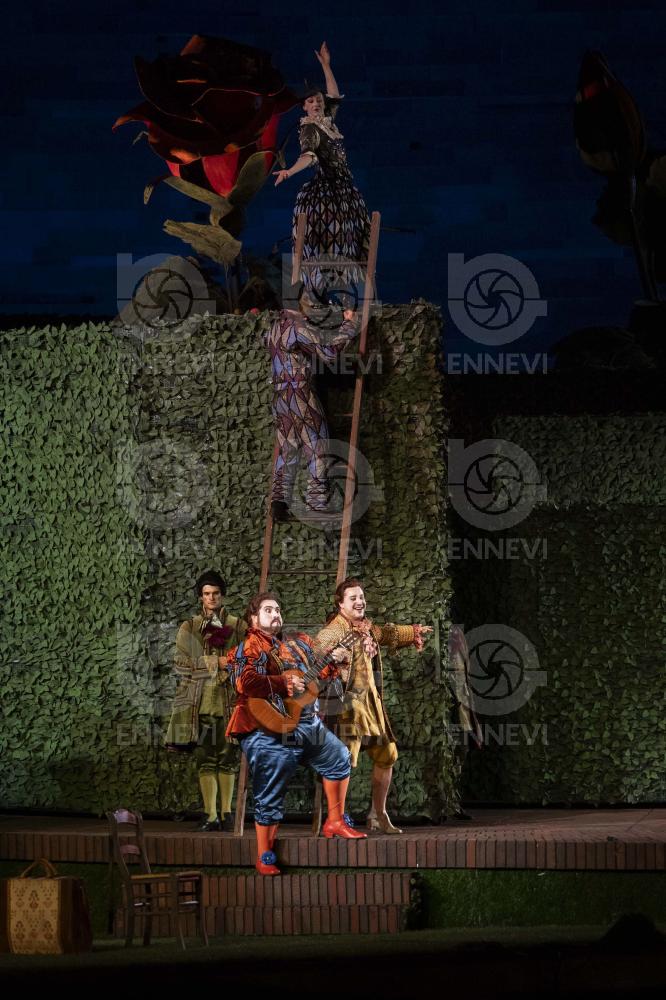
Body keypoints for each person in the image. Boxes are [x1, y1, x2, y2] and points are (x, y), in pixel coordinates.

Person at [225, 592, 367, 876]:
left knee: (339, 756)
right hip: (265, 726)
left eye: (277, 609)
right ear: (253, 618)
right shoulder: (249, 647)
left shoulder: (299, 642)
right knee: (275, 769)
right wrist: (282, 683)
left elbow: (317, 675)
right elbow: (243, 681)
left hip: (305, 722)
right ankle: (264, 853)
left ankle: (335, 821)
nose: (275, 614)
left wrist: (334, 662)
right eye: (268, 610)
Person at [313, 578, 432, 834]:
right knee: (342, 761)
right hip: (346, 709)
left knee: (387, 754)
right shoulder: (332, 631)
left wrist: (412, 632)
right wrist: (331, 660)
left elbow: (386, 633)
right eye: (353, 598)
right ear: (340, 604)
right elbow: (314, 660)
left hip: (371, 705)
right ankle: (336, 819)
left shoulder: (366, 628)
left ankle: (378, 814)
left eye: (361, 597)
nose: (359, 602)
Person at [274, 41, 370, 297]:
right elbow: (309, 156)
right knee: (329, 235)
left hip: (345, 188)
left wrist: (326, 65)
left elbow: (334, 96)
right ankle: (317, 286)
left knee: (355, 230)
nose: (316, 103)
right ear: (304, 107)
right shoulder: (309, 128)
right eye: (311, 101)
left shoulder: (327, 123)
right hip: (326, 191)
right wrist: (289, 171)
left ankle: (350, 286)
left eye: (318, 100)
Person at [165, 570, 246, 832]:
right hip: (197, 705)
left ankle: (226, 813)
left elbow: (248, 659)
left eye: (216, 593)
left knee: (228, 758)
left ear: (222, 595)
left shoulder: (238, 626)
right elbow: (180, 664)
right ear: (201, 596)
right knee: (205, 759)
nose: (211, 598)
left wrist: (228, 666)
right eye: (206, 593)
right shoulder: (189, 627)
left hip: (229, 703)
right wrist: (213, 662)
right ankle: (210, 815)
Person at [267, 304, 359, 522]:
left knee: (288, 449)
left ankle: (278, 503)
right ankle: (316, 504)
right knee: (318, 445)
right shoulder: (297, 327)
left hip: (280, 397)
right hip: (300, 394)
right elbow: (329, 352)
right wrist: (349, 324)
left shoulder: (273, 330)